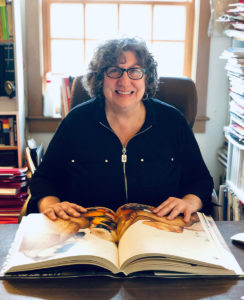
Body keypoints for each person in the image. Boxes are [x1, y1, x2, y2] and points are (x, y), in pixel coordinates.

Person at [27, 37, 214, 223]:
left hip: (160, 232)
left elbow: (201, 181)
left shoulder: (172, 121)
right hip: (87, 234)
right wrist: (51, 204)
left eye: (135, 71)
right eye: (114, 71)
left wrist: (189, 202)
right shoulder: (76, 121)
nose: (125, 82)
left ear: (146, 77)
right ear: (100, 78)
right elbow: (43, 180)